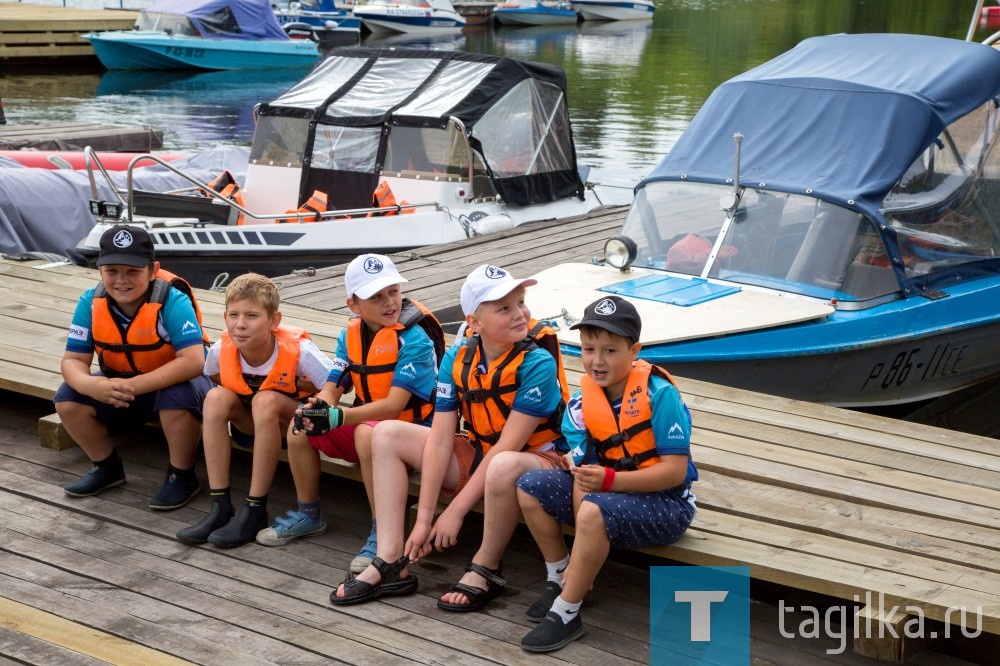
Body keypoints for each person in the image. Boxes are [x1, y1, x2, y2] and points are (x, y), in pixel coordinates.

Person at [330, 263, 568, 609]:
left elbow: (507, 446)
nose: (520, 314)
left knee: (501, 463)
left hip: (541, 462)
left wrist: (453, 512)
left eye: (520, 302)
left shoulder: (538, 363)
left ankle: (486, 565)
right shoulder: (457, 357)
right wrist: (425, 518)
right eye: (504, 308)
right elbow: (441, 439)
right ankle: (391, 560)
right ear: (474, 323)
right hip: (482, 453)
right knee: (386, 435)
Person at [516, 296, 698, 653]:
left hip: (666, 503)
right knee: (529, 486)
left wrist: (609, 484)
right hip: (603, 494)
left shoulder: (660, 395)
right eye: (588, 349)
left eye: (610, 351)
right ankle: (563, 580)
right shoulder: (583, 404)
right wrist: (595, 491)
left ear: (635, 351)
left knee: (594, 510)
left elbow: (675, 473)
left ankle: (566, 613)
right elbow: (584, 473)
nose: (597, 361)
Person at [256, 254, 443, 577]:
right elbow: (333, 385)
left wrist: (340, 418)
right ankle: (309, 514)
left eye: (394, 291)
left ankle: (381, 531)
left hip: (414, 437)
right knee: (302, 424)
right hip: (368, 428)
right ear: (353, 305)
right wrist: (321, 408)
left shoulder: (415, 339)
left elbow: (394, 406)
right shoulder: (350, 335)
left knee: (367, 432)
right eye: (376, 296)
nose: (389, 302)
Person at [55, 224, 213, 510]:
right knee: (67, 398)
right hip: (123, 384)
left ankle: (182, 475)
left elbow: (193, 361)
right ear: (100, 271)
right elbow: (72, 362)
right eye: (112, 271)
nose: (121, 280)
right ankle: (106, 467)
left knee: (179, 396)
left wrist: (133, 386)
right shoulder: (90, 302)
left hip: (172, 385)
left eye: (132, 271)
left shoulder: (172, 301)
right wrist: (93, 385)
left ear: (153, 270)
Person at [175, 273, 334, 548]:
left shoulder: (301, 351)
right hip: (253, 424)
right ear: (225, 317)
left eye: (251, 316)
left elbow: (335, 385)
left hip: (294, 429)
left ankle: (255, 507)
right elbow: (212, 375)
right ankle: (220, 506)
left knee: (266, 400)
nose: (240, 325)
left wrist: (300, 393)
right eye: (233, 315)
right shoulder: (221, 349)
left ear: (274, 320)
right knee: (215, 398)